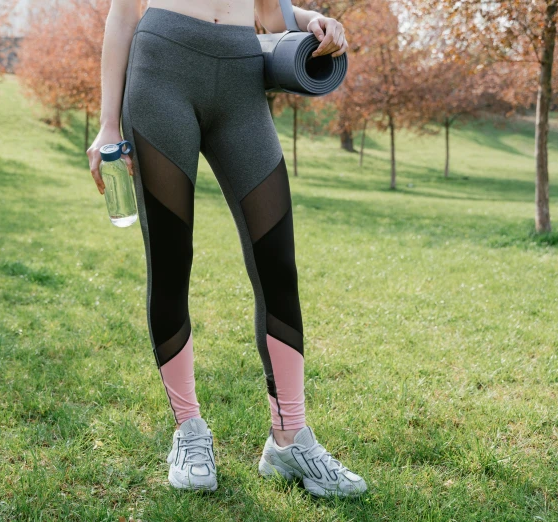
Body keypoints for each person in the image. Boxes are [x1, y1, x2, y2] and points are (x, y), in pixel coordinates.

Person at [87, 0, 367, 498]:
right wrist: (109, 124)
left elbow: (267, 9)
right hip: (162, 72)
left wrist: (311, 21)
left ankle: (289, 438)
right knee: (172, 261)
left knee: (277, 260)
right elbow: (124, 13)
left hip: (242, 77)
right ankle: (189, 431)